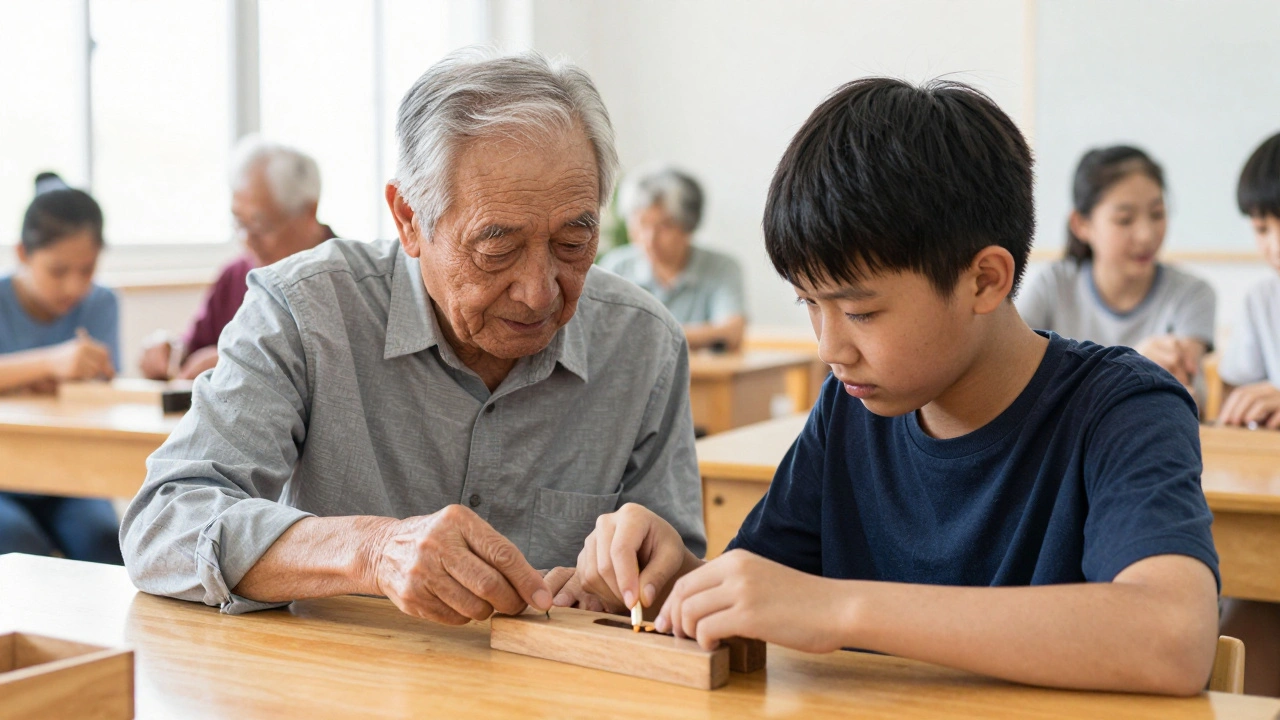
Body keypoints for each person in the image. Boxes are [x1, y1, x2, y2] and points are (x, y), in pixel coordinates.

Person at [570, 78, 1219, 696]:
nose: (829, 349)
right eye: (808, 304)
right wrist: (668, 580)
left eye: (860, 312)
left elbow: (1172, 638)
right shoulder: (850, 410)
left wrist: (844, 609)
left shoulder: (1124, 407)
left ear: (985, 280)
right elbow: (769, 590)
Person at [120, 49, 705, 622]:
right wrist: (371, 551)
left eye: (572, 244)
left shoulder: (642, 342)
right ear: (408, 219)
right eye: (496, 249)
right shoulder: (304, 311)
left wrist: (641, 578)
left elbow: (677, 571)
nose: (539, 291)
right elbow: (164, 525)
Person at [1017, 147, 1215, 394]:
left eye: (1157, 214)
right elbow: (1009, 372)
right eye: (1125, 219)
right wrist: (1133, 366)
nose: (1146, 235)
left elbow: (1187, 396)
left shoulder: (1192, 294)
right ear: (1081, 225)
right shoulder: (1053, 285)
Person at [0, 173, 123, 564]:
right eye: (58, 271)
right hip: (5, 481)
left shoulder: (101, 303)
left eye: (87, 270)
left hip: (72, 479)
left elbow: (100, 391)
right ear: (22, 253)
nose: (74, 288)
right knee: (21, 547)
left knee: (106, 543)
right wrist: (51, 363)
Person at [139, 137, 335, 380]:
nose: (247, 240)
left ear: (309, 212)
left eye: (259, 225)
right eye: (239, 222)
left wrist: (238, 362)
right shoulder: (234, 275)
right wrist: (168, 351)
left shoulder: (346, 277)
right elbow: (192, 351)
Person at [1217, 130, 1280, 696]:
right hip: (1266, 500)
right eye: (1262, 229)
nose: (1274, 244)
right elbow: (1232, 410)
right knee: (1237, 623)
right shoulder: (1263, 300)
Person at [598, 166, 746, 351]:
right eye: (641, 223)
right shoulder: (616, 267)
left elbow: (730, 333)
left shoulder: (721, 267)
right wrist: (699, 336)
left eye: (665, 226)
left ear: (688, 227)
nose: (649, 238)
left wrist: (642, 335)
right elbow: (599, 332)